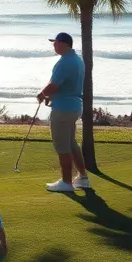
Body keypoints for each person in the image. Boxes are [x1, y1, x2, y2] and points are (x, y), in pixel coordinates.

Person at [35, 32, 90, 193]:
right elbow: (65, 84)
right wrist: (51, 95)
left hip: (63, 109)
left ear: (65, 44)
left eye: (56, 42)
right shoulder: (77, 60)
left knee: (62, 146)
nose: (54, 45)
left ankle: (66, 182)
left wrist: (42, 94)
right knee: (71, 143)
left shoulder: (65, 62)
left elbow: (54, 84)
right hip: (73, 107)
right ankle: (83, 179)